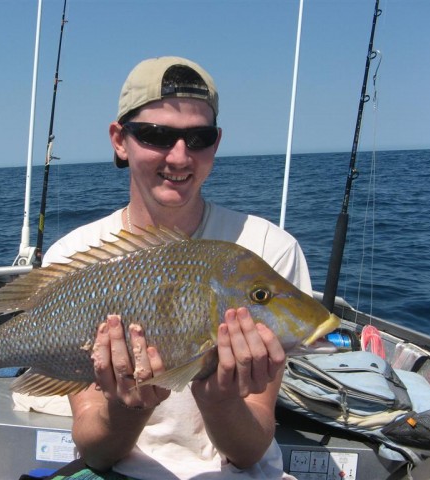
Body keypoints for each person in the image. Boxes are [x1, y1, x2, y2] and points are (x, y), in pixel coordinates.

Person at [34, 56, 311, 480]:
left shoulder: (268, 249)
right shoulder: (74, 254)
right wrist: (131, 406)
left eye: (198, 137)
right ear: (119, 140)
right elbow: (96, 452)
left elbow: (250, 451)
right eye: (156, 135)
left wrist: (219, 401)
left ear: (216, 142)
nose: (180, 157)